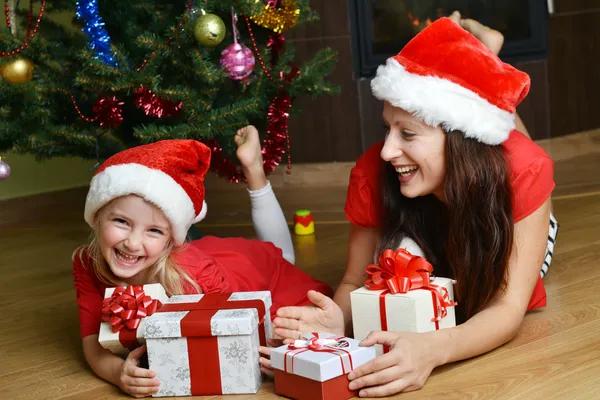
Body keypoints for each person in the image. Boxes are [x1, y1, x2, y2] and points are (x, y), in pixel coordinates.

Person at [267, 14, 559, 397]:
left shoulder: (525, 173)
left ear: (459, 141)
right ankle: (481, 57)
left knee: (514, 146)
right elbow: (355, 280)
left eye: (407, 133)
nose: (388, 150)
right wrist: (338, 319)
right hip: (451, 214)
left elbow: (507, 307)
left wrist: (435, 349)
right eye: (386, 128)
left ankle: (487, 54)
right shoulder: (374, 170)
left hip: (507, 211)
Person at [72, 126, 332, 398]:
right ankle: (252, 169)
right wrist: (117, 373)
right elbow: (92, 343)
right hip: (212, 255)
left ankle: (254, 169)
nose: (132, 243)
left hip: (249, 277)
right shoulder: (86, 263)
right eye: (121, 222)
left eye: (154, 230)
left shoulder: (193, 276)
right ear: (97, 217)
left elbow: (240, 335)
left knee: (284, 295)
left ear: (171, 238)